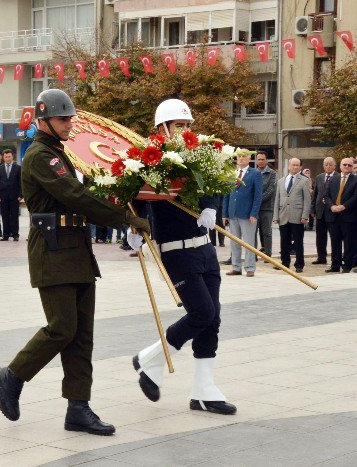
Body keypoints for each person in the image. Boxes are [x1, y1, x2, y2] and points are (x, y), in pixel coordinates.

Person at [0, 89, 150, 436]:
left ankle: (78, 407)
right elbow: (75, 196)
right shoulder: (39, 155)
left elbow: (85, 193)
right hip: (52, 251)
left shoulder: (61, 155)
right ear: (44, 120)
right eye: (63, 119)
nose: (70, 125)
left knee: (82, 336)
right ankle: (13, 374)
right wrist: (124, 218)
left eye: (70, 118)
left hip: (75, 250)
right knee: (62, 327)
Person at [128, 98, 237, 417]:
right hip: (176, 251)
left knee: (213, 318)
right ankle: (151, 358)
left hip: (204, 248)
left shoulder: (198, 154)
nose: (186, 130)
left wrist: (211, 204)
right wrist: (132, 225)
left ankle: (203, 389)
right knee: (201, 312)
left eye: (188, 125)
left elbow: (215, 180)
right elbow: (133, 195)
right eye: (179, 125)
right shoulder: (149, 160)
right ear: (161, 129)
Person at [222, 152, 263, 277]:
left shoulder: (255, 173)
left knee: (249, 242)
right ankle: (236, 267)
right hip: (233, 213)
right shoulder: (232, 173)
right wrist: (224, 213)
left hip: (247, 214)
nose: (241, 158)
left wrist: (254, 213)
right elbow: (227, 194)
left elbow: (258, 195)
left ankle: (250, 267)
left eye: (244, 156)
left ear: (249, 158)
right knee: (234, 242)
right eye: (239, 156)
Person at [323, 158, 357, 273]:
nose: (346, 166)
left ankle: (347, 266)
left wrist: (343, 206)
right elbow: (326, 195)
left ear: (352, 167)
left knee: (348, 242)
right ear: (340, 166)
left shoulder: (356, 180)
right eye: (344, 164)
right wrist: (331, 206)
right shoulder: (333, 179)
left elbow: (356, 197)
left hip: (348, 216)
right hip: (333, 216)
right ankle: (335, 265)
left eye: (349, 165)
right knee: (335, 241)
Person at [273, 158, 311, 273]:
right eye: (293, 165)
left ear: (300, 167)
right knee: (284, 241)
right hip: (283, 215)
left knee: (298, 242)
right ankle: (285, 263)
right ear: (289, 166)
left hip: (297, 216)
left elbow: (307, 200)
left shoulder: (304, 181)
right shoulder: (281, 181)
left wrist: (305, 215)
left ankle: (299, 264)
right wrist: (276, 216)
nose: (295, 167)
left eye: (297, 165)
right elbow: (277, 199)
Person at [311, 157, 337, 265]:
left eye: (330, 164)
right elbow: (315, 194)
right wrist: (312, 208)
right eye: (326, 164)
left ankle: (335, 258)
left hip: (332, 211)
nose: (328, 166)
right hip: (320, 211)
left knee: (334, 236)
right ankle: (321, 257)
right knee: (320, 237)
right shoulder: (319, 177)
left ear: (334, 166)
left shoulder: (338, 177)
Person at [0, 149, 22, 241]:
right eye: (6, 157)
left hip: (14, 196)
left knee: (14, 215)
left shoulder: (18, 168)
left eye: (9, 156)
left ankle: (15, 234)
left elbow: (21, 182)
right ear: (3, 157)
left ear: (12, 156)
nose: (7, 158)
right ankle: (5, 235)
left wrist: (21, 195)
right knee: (4, 216)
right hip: (3, 196)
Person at [255, 151, 276, 257]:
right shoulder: (253, 173)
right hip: (254, 208)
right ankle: (253, 254)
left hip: (267, 208)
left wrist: (257, 200)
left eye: (263, 159)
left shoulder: (272, 173)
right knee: (254, 232)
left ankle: (268, 253)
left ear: (266, 160)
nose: (261, 161)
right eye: (259, 159)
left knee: (266, 231)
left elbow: (270, 190)